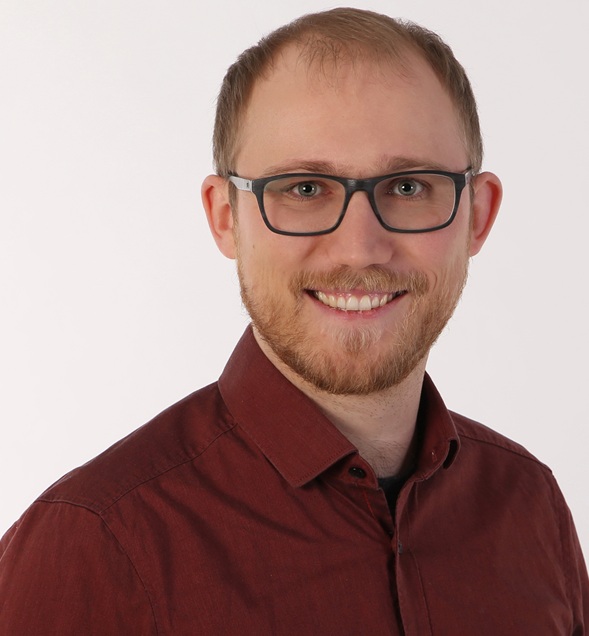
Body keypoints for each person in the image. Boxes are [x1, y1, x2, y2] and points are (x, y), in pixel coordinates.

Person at [0, 7, 587, 634]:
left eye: (409, 187)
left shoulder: (532, 507)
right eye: (304, 189)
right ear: (225, 217)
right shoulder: (95, 544)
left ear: (478, 215)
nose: (360, 249)